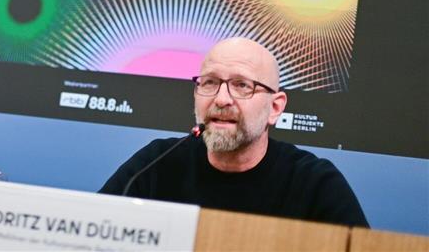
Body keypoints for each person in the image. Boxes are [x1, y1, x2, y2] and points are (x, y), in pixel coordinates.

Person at [99, 37, 368, 227]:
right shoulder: (156, 164)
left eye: (241, 85)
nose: (221, 99)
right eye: (210, 82)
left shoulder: (314, 183)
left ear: (275, 108)